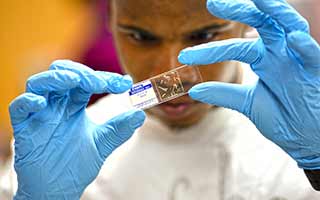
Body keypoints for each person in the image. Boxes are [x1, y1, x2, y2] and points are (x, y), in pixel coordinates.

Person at [3, 0, 320, 199]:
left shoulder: (304, 128)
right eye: (141, 37)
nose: (170, 73)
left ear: (244, 24)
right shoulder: (63, 152)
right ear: (111, 23)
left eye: (204, 35)